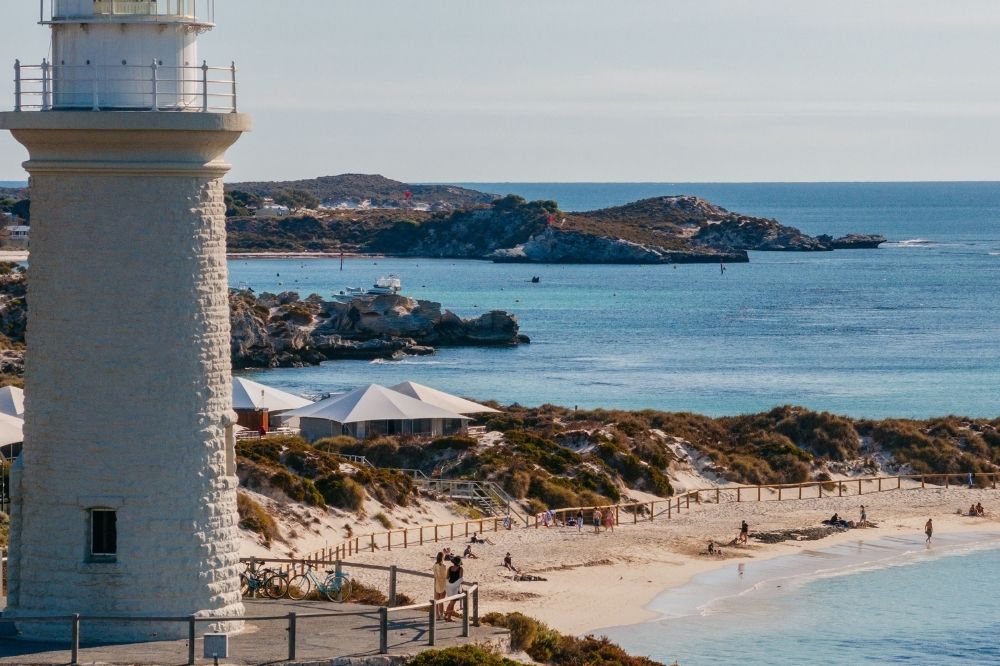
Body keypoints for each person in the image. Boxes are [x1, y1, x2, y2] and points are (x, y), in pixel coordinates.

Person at [444, 556, 464, 621]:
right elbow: (460, 578)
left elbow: (447, 577)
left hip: (449, 587)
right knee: (452, 603)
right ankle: (449, 618)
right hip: (455, 588)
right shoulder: (460, 569)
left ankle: (446, 615)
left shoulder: (450, 568)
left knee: (451, 602)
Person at [432, 552, 448, 620]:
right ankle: (441, 615)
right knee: (441, 601)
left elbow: (435, 574)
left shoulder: (434, 565)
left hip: (437, 583)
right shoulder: (444, 565)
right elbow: (446, 576)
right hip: (443, 584)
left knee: (436, 600)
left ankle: (437, 615)